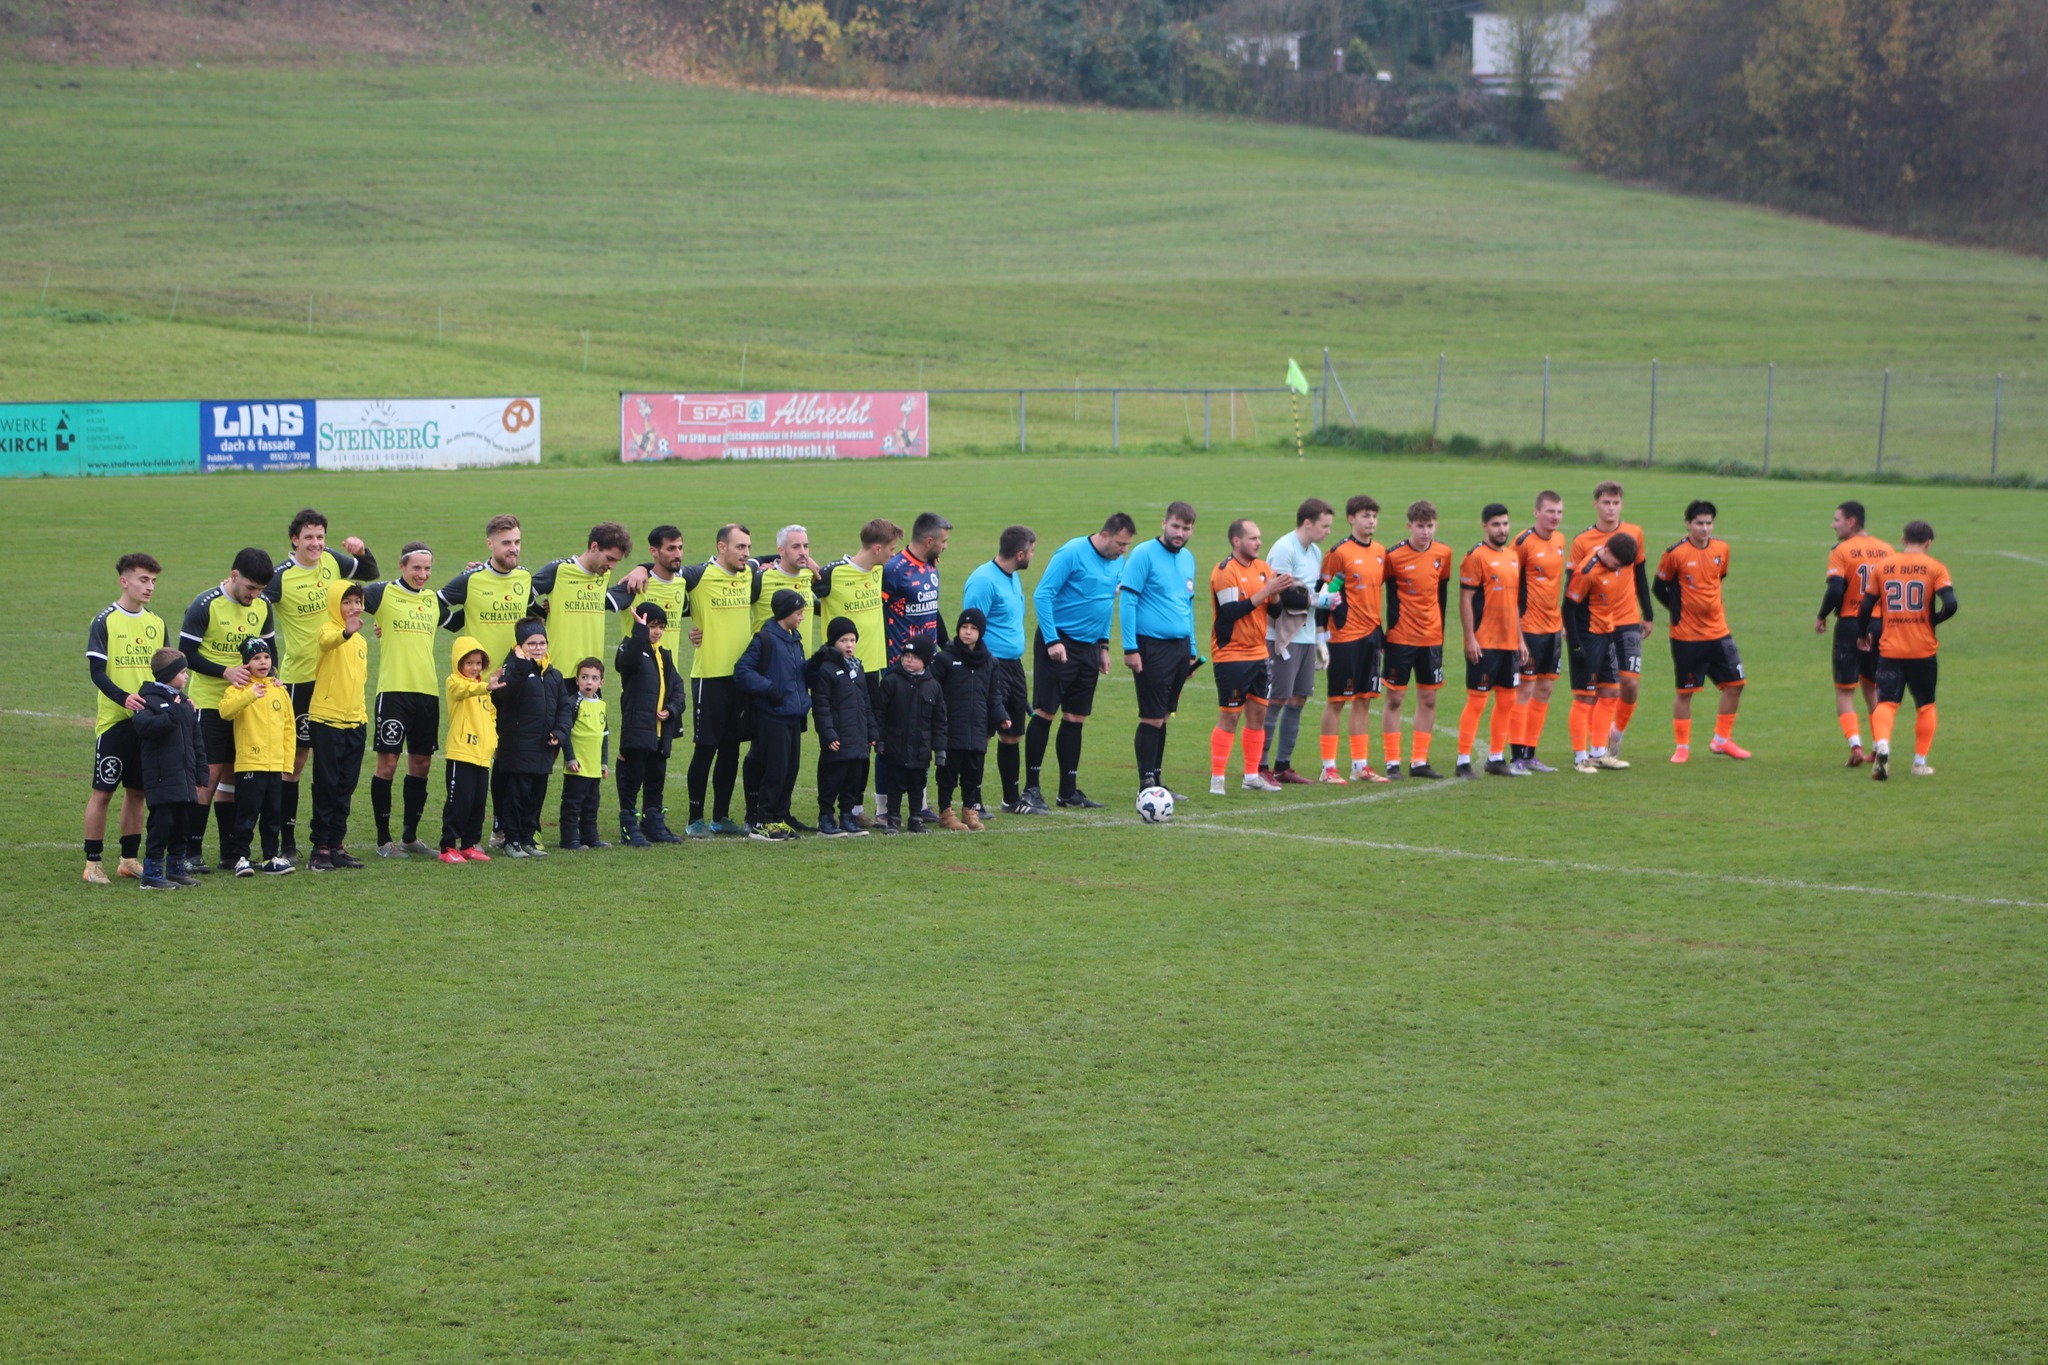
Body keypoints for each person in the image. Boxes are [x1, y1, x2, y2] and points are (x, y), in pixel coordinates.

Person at [264, 508, 378, 860]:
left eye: (320, 537)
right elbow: (254, 609)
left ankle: (331, 841)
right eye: (309, 537)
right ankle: (288, 840)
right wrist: (267, 667)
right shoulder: (280, 577)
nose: (316, 543)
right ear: (294, 540)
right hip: (302, 678)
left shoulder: (332, 561)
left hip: (338, 678)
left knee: (335, 763)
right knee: (296, 759)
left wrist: (361, 552)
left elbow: (370, 575)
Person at [1024, 512, 1137, 811]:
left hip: (1088, 648)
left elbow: (1105, 605)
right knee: (1045, 713)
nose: (1123, 550)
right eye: (1121, 543)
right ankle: (1031, 789)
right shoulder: (1072, 553)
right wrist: (1052, 640)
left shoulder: (1118, 562)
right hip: (1059, 642)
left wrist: (1103, 646)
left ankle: (1068, 791)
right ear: (1106, 534)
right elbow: (1042, 595)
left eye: (1127, 546)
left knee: (1076, 719)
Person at [439, 514, 535, 843]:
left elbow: (536, 615)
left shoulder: (525, 578)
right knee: (480, 760)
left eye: (517, 542)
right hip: (478, 686)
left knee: (508, 758)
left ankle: (501, 826)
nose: (513, 549)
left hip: (514, 683)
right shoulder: (471, 579)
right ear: (490, 544)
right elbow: (434, 604)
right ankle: (462, 833)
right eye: (506, 542)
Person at [180, 547, 276, 869]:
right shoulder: (205, 605)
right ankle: (191, 852)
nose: (255, 595)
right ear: (234, 576)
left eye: (261, 590)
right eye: (251, 587)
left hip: (247, 705)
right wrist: (225, 672)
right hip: (210, 704)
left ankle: (230, 853)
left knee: (235, 777)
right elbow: (186, 655)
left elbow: (269, 651)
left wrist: (273, 681)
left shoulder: (262, 607)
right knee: (208, 776)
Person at [364, 542, 452, 859]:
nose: (422, 574)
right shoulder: (382, 594)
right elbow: (344, 600)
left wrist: (473, 572)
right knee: (387, 764)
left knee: (421, 765)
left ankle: (410, 838)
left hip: (427, 694)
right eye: (416, 568)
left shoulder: (432, 601)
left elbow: (456, 620)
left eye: (427, 569)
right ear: (402, 567)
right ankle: (383, 840)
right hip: (394, 692)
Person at [83, 552, 165, 884]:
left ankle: (128, 859)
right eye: (143, 580)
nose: (149, 587)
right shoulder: (104, 620)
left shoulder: (156, 624)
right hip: (116, 722)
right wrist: (124, 699)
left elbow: (166, 670)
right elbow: (96, 672)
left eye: (153, 581)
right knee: (103, 792)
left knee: (138, 792)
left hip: (146, 723)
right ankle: (92, 864)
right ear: (124, 581)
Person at [679, 524, 764, 837]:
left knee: (731, 750)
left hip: (739, 679)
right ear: (721, 547)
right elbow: (667, 571)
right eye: (740, 547)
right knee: (706, 749)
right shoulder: (699, 575)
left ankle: (721, 817)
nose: (746, 554)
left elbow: (767, 561)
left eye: (748, 547)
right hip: (709, 677)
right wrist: (639, 568)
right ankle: (694, 819)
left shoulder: (748, 571)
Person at [815, 518, 900, 826]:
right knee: (837, 743)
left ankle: (853, 810)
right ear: (877, 548)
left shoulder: (878, 571)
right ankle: (828, 811)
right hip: (837, 675)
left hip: (870, 670)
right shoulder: (832, 573)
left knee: (865, 742)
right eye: (890, 549)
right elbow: (793, 587)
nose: (893, 554)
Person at [1859, 521, 1957, 781]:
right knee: (1925, 705)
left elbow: (1867, 605)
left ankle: (1882, 745)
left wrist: (1861, 634)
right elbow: (1951, 604)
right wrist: (1933, 619)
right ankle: (1919, 762)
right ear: (1928, 542)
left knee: (1887, 703)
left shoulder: (1884, 566)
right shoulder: (1935, 568)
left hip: (1890, 649)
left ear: (1903, 539)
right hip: (1922, 649)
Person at [1655, 500, 1749, 764]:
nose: (1704, 529)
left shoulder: (1722, 549)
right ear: (1688, 524)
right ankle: (1682, 747)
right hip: (1687, 636)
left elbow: (1717, 579)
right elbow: (1659, 586)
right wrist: (1678, 611)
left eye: (1709, 523)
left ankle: (1721, 740)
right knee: (1685, 692)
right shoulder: (1675, 553)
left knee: (1736, 684)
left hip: (1719, 632)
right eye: (1699, 523)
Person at [1567, 481, 1654, 758]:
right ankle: (1594, 748)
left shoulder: (1634, 533)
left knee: (1628, 682)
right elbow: (1573, 585)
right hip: (1595, 622)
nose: (1611, 508)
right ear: (1596, 505)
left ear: (1622, 505)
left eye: (1616, 503)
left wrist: (1648, 613)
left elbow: (1639, 573)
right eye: (1606, 502)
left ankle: (1616, 733)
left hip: (1627, 618)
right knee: (1597, 687)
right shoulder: (1583, 541)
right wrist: (1572, 628)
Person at [1208, 518, 1295, 794]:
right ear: (1237, 541)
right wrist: (1266, 591)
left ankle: (1250, 776)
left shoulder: (1262, 569)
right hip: (1231, 654)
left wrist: (1277, 593)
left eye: (1259, 538)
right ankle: (1217, 779)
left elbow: (1275, 613)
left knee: (1258, 714)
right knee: (1230, 716)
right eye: (1253, 538)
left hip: (1259, 653)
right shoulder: (1225, 572)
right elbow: (1230, 612)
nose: (1259, 542)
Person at [1256, 497, 1337, 785]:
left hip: (1304, 636)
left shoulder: (1315, 552)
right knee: (1275, 699)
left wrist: (1319, 639)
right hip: (1281, 637)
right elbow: (1281, 593)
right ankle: (1260, 766)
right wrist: (1321, 600)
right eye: (1324, 526)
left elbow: (1310, 595)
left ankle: (1282, 766)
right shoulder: (1283, 548)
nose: (1328, 531)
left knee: (1298, 699)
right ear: (1307, 523)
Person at [1118, 503, 1198, 794]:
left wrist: (1191, 651)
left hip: (1179, 649)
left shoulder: (1188, 558)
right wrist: (1130, 648)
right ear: (1164, 523)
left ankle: (1158, 780)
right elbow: (1127, 602)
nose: (1179, 533)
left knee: (1164, 715)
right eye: (1175, 526)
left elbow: (1187, 606)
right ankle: (1147, 783)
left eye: (1186, 528)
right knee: (1151, 715)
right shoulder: (1143, 554)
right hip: (1151, 647)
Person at [744, 527, 821, 827]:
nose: (803, 552)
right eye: (796, 546)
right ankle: (758, 814)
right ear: (780, 551)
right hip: (771, 682)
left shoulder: (809, 577)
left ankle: (780, 813)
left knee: (788, 760)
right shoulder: (760, 578)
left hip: (798, 685)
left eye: (806, 545)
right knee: (762, 756)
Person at [960, 524, 1036, 814]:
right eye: (1031, 551)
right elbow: (970, 629)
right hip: (989, 666)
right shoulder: (983, 581)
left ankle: (1011, 800)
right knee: (982, 734)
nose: (1032, 556)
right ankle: (973, 801)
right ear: (1020, 553)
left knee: (1012, 732)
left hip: (1014, 667)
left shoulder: (1013, 576)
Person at [881, 512, 950, 821]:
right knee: (893, 739)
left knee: (921, 735)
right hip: (898, 668)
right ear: (929, 540)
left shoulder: (930, 565)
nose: (947, 547)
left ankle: (919, 806)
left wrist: (945, 648)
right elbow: (875, 609)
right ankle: (884, 809)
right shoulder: (895, 570)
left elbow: (932, 611)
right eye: (944, 541)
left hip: (927, 669)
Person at [1316, 496, 1390, 784]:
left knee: (1364, 701)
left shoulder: (1381, 552)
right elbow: (1323, 594)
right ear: (1351, 518)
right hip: (1343, 637)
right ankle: (1328, 767)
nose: (1370, 520)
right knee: (1337, 701)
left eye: (1373, 515)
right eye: (1364, 515)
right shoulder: (1338, 553)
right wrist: (1320, 637)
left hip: (1371, 636)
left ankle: (1360, 765)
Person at [1381, 501, 1454, 779]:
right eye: (1420, 526)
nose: (1426, 532)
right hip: (1401, 638)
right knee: (1395, 699)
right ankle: (1391, 761)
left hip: (1432, 639)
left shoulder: (1443, 553)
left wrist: (1441, 633)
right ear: (1409, 525)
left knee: (1429, 699)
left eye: (1430, 526)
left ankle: (1419, 762)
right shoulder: (1393, 556)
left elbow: (1442, 594)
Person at [1817, 500, 1892, 766]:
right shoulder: (1887, 550)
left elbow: (1836, 589)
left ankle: (1855, 745)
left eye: (1836, 520)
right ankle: (1880, 745)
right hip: (1880, 624)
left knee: (1845, 690)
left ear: (1851, 522)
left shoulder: (1842, 550)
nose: (1833, 524)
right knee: (1873, 688)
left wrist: (1822, 615)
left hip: (1851, 623)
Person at [734, 589, 813, 841]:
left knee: (790, 769)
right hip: (774, 716)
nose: (802, 617)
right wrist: (769, 689)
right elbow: (742, 671)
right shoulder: (765, 639)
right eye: (798, 612)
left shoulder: (794, 637)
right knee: (775, 770)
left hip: (793, 715)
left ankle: (779, 816)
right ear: (786, 613)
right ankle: (764, 820)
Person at [1455, 503, 1525, 779]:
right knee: (1477, 702)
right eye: (1496, 524)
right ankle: (1462, 761)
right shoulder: (1475, 557)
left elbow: (1514, 603)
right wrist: (1470, 638)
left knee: (1507, 701)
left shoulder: (1512, 556)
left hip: (1509, 643)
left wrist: (1520, 640)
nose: (1502, 529)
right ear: (1484, 526)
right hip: (1484, 641)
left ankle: (1496, 757)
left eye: (1505, 524)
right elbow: (1466, 600)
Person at [493, 619, 574, 857]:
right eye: (532, 644)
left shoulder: (554, 675)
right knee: (516, 795)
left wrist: (559, 733)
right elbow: (503, 697)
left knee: (536, 795)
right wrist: (521, 666)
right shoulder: (512, 669)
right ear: (520, 646)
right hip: (518, 746)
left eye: (542, 643)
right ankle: (512, 840)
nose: (538, 648)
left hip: (543, 747)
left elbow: (564, 708)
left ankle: (528, 838)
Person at [129, 649, 206, 891]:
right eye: (183, 672)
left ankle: (176, 869)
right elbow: (145, 727)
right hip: (161, 776)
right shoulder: (147, 700)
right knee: (161, 825)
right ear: (168, 674)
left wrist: (201, 771)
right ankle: (151, 874)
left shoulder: (184, 702)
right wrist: (171, 714)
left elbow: (196, 740)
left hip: (184, 777)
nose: (187, 677)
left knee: (182, 825)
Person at [1562, 533, 1640, 774]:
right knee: (1585, 697)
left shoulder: (1614, 564)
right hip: (1587, 639)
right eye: (1616, 563)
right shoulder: (1587, 572)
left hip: (1606, 634)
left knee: (1610, 691)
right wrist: (1575, 645)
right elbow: (1569, 608)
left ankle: (1598, 753)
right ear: (1606, 550)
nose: (1617, 568)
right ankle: (1580, 758)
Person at [305, 583, 370, 871]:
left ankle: (336, 844)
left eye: (358, 601)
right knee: (327, 784)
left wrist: (362, 715)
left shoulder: (361, 642)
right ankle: (319, 848)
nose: (354, 607)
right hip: (327, 720)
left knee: (346, 785)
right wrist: (346, 631)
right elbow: (328, 642)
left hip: (355, 721)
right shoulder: (329, 630)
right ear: (335, 605)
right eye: (347, 602)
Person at [218, 637, 295, 875]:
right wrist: (249, 694)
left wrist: (287, 762)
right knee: (247, 813)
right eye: (256, 658)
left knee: (273, 814)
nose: (263, 662)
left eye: (266, 657)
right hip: (251, 762)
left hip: (274, 765)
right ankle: (241, 857)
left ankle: (270, 856)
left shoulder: (280, 691)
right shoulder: (238, 689)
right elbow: (226, 712)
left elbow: (289, 728)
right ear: (246, 663)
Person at [529, 522, 631, 694]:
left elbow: (626, 592)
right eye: (610, 559)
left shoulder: (603, 576)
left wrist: (642, 570)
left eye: (616, 562)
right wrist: (542, 615)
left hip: (591, 676)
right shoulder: (560, 570)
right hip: (559, 673)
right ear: (594, 547)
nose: (612, 567)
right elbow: (522, 594)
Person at [613, 607, 684, 847]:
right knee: (632, 778)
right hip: (638, 728)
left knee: (656, 778)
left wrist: (672, 709)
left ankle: (653, 823)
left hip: (660, 731)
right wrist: (639, 631)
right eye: (653, 626)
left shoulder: (664, 655)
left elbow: (678, 688)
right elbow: (627, 663)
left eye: (661, 627)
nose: (657, 632)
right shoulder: (631, 647)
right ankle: (628, 826)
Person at [1509, 491, 1568, 773]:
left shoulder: (1559, 540)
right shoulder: (1522, 543)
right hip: (1529, 628)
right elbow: (1510, 587)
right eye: (1550, 511)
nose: (1555, 517)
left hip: (1553, 628)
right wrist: (1516, 630)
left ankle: (1531, 753)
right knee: (1525, 689)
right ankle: (1516, 755)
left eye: (1559, 511)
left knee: (1545, 688)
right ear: (1536, 512)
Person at [934, 608, 1008, 830]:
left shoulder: (990, 662)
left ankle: (970, 811)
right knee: (948, 772)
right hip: (951, 727)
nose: (967, 632)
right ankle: (946, 813)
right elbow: (934, 691)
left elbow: (994, 695)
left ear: (981, 632)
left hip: (977, 727)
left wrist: (1001, 717)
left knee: (973, 772)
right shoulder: (945, 658)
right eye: (964, 627)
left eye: (973, 629)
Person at [810, 617, 877, 837]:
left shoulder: (858, 669)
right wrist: (828, 734)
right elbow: (822, 706)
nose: (849, 645)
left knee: (853, 780)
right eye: (843, 640)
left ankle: (847, 815)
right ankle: (826, 818)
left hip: (857, 738)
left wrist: (871, 731)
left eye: (852, 640)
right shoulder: (826, 670)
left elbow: (866, 703)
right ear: (833, 642)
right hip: (838, 739)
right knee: (832, 779)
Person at [437, 636, 501, 864]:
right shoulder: (454, 682)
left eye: (478, 663)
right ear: (459, 663)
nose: (474, 668)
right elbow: (465, 690)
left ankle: (468, 844)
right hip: (461, 753)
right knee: (458, 803)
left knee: (477, 803)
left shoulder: (483, 691)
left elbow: (491, 718)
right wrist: (485, 686)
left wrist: (494, 744)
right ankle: (447, 847)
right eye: (469, 663)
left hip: (482, 757)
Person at [875, 635, 947, 833]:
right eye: (906, 655)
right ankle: (893, 819)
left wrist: (940, 749)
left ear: (925, 660)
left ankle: (916, 818)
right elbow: (880, 714)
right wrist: (880, 741)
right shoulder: (891, 682)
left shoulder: (933, 687)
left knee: (918, 784)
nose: (909, 660)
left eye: (914, 657)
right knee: (895, 785)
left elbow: (939, 721)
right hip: (895, 745)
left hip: (920, 748)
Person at [559, 658, 611, 850]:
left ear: (601, 682)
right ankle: (569, 839)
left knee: (591, 804)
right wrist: (570, 758)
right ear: (577, 680)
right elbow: (566, 733)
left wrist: (604, 763)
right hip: (578, 765)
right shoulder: (573, 703)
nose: (589, 682)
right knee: (572, 804)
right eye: (585, 677)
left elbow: (604, 735)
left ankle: (590, 837)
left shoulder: (602, 705)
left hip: (594, 767)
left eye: (594, 678)